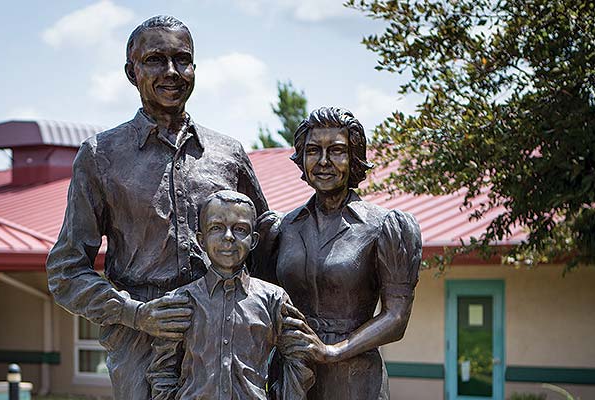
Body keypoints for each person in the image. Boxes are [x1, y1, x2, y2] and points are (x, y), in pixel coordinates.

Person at [46, 15, 268, 399]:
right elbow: (65, 271)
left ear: (195, 68)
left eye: (182, 59)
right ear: (132, 72)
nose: (171, 71)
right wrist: (133, 314)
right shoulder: (101, 156)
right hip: (140, 344)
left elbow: (265, 247)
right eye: (155, 60)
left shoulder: (228, 154)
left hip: (223, 335)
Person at [254, 107, 422, 399]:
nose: (323, 161)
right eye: (313, 150)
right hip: (293, 375)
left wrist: (332, 352)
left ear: (354, 158)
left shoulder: (384, 227)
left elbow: (397, 317)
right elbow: (261, 304)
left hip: (354, 377)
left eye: (337, 151)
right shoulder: (281, 228)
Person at [147, 190, 313, 400]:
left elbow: (298, 362)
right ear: (201, 239)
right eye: (216, 228)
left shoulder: (274, 300)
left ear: (253, 241)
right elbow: (162, 372)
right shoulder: (180, 301)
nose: (228, 237)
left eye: (240, 229)